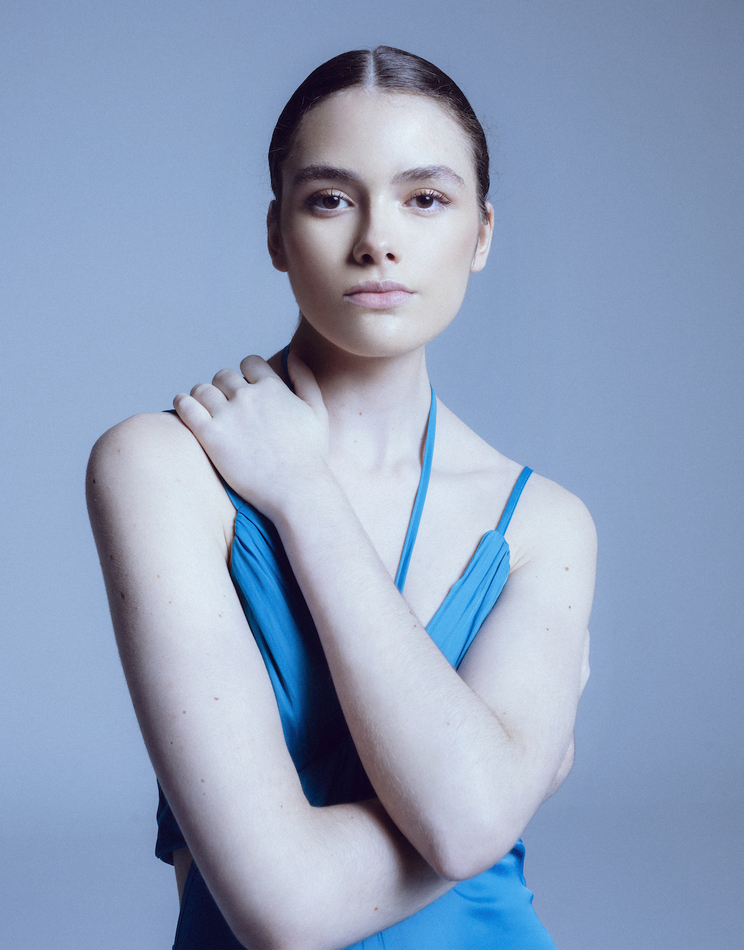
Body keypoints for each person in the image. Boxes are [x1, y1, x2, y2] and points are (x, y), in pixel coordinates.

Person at [87, 46, 595, 950]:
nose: (376, 240)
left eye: (424, 199)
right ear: (276, 233)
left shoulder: (545, 525)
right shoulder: (159, 467)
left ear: (482, 234)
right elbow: (285, 911)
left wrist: (302, 488)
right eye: (330, 199)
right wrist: (505, 786)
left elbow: (471, 830)